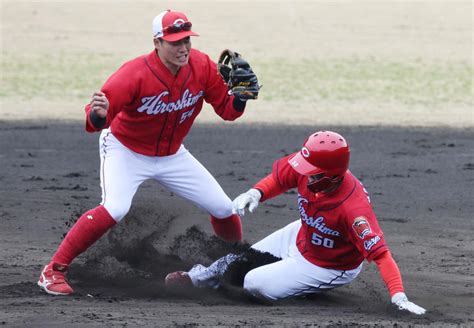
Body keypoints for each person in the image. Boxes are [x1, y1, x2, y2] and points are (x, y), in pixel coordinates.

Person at [38, 9, 259, 296]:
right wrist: (97, 116)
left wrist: (240, 99)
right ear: (157, 42)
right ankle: (53, 270)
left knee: (224, 209)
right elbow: (94, 122)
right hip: (125, 150)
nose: (183, 48)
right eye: (175, 42)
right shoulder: (133, 74)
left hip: (172, 155)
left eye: (186, 41)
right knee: (115, 208)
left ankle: (229, 266)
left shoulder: (202, 66)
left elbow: (228, 112)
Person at [164, 131, 427, 315]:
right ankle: (200, 278)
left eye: (311, 171)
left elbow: (381, 255)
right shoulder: (310, 166)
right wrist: (257, 192)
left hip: (329, 266)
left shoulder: (353, 209)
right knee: (239, 259)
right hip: (302, 233)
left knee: (254, 283)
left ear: (332, 175)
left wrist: (399, 297)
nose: (303, 172)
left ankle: (295, 286)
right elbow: (281, 179)